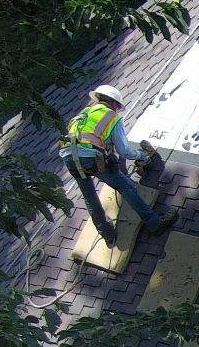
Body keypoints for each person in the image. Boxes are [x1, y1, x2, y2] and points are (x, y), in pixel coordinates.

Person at [60, 83, 171, 237]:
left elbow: (92, 140)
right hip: (90, 158)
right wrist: (142, 156)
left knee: (89, 196)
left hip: (68, 157)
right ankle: (154, 223)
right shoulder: (111, 117)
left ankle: (105, 232)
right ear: (113, 102)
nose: (117, 109)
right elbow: (124, 151)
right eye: (117, 106)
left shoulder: (85, 114)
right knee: (127, 187)